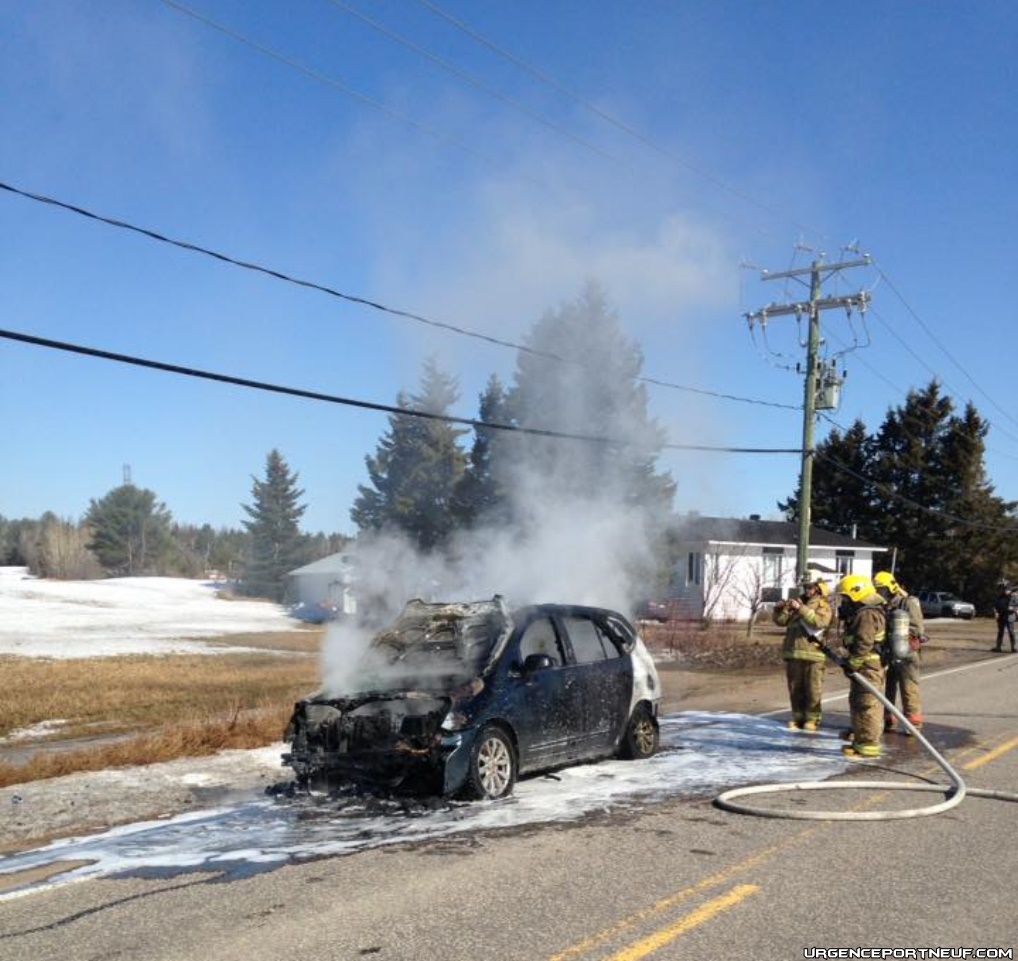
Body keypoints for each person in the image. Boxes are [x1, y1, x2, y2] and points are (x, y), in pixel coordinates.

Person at [835, 573, 887, 759]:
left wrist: (853, 663)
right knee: (859, 702)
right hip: (866, 666)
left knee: (867, 705)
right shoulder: (865, 612)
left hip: (868, 667)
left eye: (846, 598)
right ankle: (860, 741)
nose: (844, 602)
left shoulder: (866, 614)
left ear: (856, 593)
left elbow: (864, 643)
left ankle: (868, 746)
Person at [773, 576, 834, 733]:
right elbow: (781, 621)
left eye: (810, 587)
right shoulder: (798, 602)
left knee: (813, 689)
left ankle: (812, 719)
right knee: (795, 688)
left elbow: (819, 622)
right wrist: (780, 609)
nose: (807, 590)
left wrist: (801, 609)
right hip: (794, 653)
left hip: (814, 655)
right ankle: (798, 718)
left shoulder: (823, 605)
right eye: (805, 587)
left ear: (818, 588)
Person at [873, 570, 926, 734]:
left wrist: (902, 637)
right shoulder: (883, 606)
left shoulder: (908, 603)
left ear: (891, 588)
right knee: (888, 687)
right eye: (878, 590)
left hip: (907, 652)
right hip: (889, 652)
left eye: (882, 589)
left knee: (909, 687)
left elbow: (917, 628)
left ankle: (913, 722)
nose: (880, 593)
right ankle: (888, 718)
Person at [992, 583, 1017, 653]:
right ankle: (998, 647)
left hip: (1009, 617)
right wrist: (996, 612)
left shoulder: (1013, 597)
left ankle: (1014, 647)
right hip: (1001, 617)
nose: (1006, 591)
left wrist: (1012, 609)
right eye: (1005, 589)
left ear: (1010, 590)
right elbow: (995, 606)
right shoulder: (999, 597)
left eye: (1007, 590)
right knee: (1000, 632)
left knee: (1011, 632)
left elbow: (1016, 606)